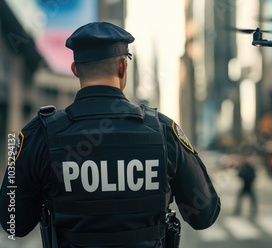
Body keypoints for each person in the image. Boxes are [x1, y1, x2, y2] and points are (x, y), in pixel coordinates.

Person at [0, 22, 220, 247]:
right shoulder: (163, 131)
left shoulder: (40, 133)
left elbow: (13, 223)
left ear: (75, 69)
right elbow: (204, 215)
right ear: (123, 67)